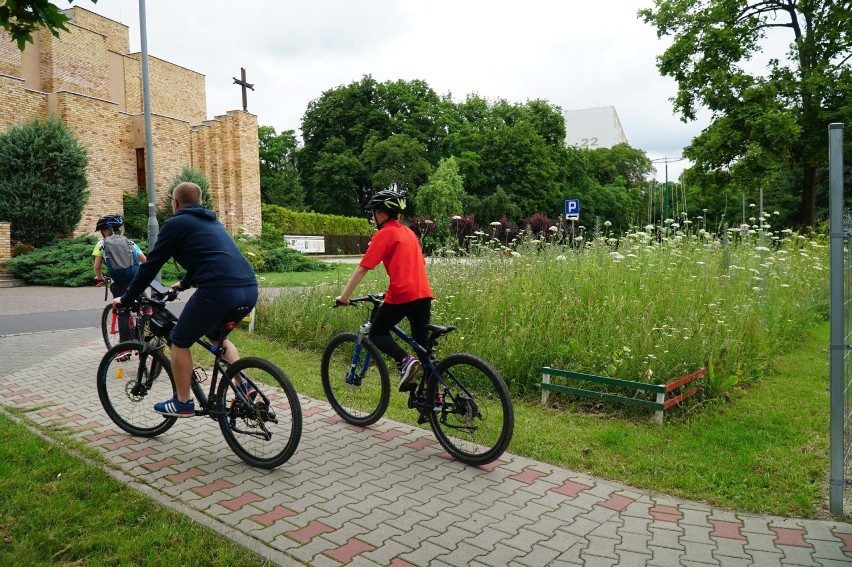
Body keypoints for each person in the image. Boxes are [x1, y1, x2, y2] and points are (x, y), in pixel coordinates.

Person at [114, 182, 258, 417]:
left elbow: (151, 266)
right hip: (248, 288)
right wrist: (186, 282)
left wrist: (128, 298)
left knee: (179, 339)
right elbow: (211, 258)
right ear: (200, 202)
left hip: (218, 291)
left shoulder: (175, 224)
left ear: (175, 203)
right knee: (216, 336)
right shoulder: (213, 222)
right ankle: (244, 385)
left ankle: (183, 402)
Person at [335, 189, 434, 392]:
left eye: (373, 213)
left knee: (377, 333)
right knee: (423, 349)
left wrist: (344, 297)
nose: (372, 218)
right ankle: (432, 398)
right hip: (423, 294)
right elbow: (419, 264)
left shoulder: (384, 234)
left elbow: (364, 267)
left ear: (381, 214)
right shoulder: (409, 233)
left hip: (402, 294)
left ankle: (404, 360)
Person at [93, 214, 147, 344]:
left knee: (122, 311)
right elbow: (145, 261)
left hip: (119, 283)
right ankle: (146, 332)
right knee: (144, 304)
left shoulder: (101, 244)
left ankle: (125, 348)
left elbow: (97, 267)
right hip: (136, 280)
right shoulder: (130, 242)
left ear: (107, 230)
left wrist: (100, 277)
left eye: (102, 231)